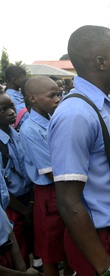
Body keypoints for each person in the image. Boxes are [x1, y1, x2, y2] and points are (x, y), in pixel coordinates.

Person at [48, 25, 110, 276]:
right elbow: (68, 202)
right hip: (97, 240)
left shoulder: (103, 105)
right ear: (101, 62)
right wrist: (105, 267)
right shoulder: (76, 114)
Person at [20, 77, 73, 276]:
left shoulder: (52, 120)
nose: (58, 99)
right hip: (51, 191)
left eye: (59, 94)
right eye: (51, 96)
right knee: (50, 249)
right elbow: (51, 172)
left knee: (68, 241)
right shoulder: (30, 130)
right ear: (33, 98)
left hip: (64, 186)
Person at [0, 91, 34, 268]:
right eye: (3, 109)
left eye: (12, 106)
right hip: (11, 207)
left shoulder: (16, 135)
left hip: (25, 199)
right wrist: (24, 211)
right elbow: (2, 187)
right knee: (17, 249)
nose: (11, 112)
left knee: (29, 245)